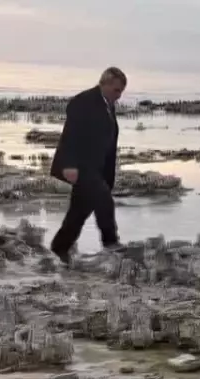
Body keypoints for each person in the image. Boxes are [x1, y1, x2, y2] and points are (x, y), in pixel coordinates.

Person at [49, 67, 127, 264]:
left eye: (121, 91)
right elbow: (70, 135)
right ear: (105, 84)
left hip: (97, 168)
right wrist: (69, 165)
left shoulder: (108, 104)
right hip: (81, 166)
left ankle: (60, 247)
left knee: (79, 212)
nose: (119, 96)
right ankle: (111, 242)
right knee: (103, 199)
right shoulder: (83, 102)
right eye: (116, 90)